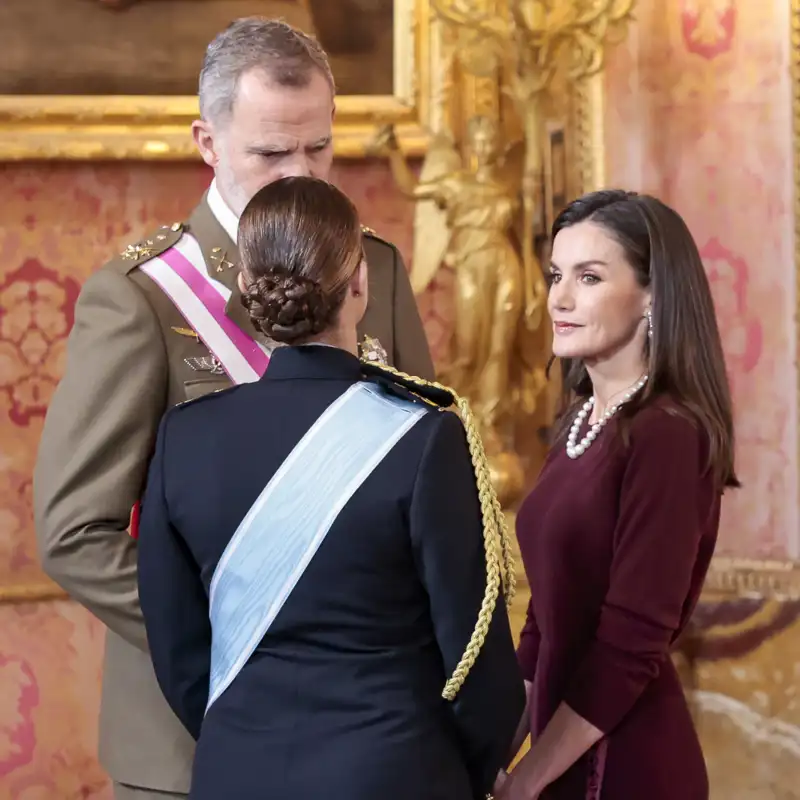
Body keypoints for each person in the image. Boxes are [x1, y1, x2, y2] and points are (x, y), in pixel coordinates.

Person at [32, 17, 434, 800]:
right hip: (192, 737)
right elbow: (73, 531)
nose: (304, 175)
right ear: (207, 143)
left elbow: (425, 476)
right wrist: (236, 637)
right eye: (272, 153)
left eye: (319, 146)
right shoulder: (142, 298)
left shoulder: (373, 269)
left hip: (364, 732)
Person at [136, 175, 525, 800]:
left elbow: (179, 656)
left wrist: (244, 740)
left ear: (246, 288)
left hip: (239, 775)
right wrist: (460, 774)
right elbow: (478, 667)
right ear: (361, 283)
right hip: (397, 773)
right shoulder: (424, 437)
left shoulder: (185, 438)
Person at [496, 190, 738, 800]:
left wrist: (529, 775)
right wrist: (492, 754)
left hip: (626, 766)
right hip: (563, 759)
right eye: (557, 275)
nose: (560, 298)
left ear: (653, 295)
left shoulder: (667, 434)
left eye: (590, 277)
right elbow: (543, 627)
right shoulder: (578, 425)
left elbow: (631, 644)